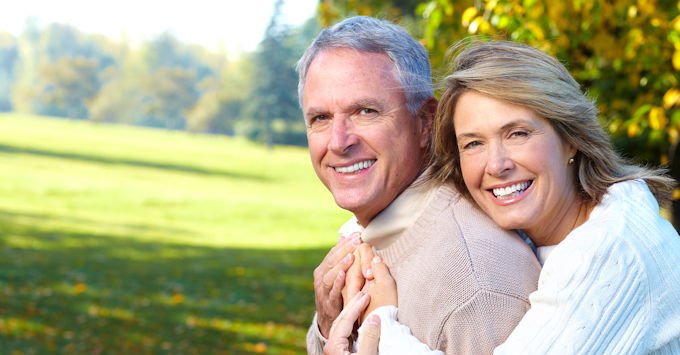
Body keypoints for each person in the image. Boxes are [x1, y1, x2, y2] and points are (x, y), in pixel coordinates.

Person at [328, 39, 680, 354]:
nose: (496, 165)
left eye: (517, 133)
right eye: (474, 143)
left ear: (570, 137)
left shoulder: (614, 249)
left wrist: (383, 326)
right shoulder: (548, 230)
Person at [297, 17, 542, 354]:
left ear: (426, 122)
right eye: (320, 118)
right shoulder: (372, 236)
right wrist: (328, 325)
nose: (339, 142)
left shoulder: (476, 284)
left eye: (365, 111)